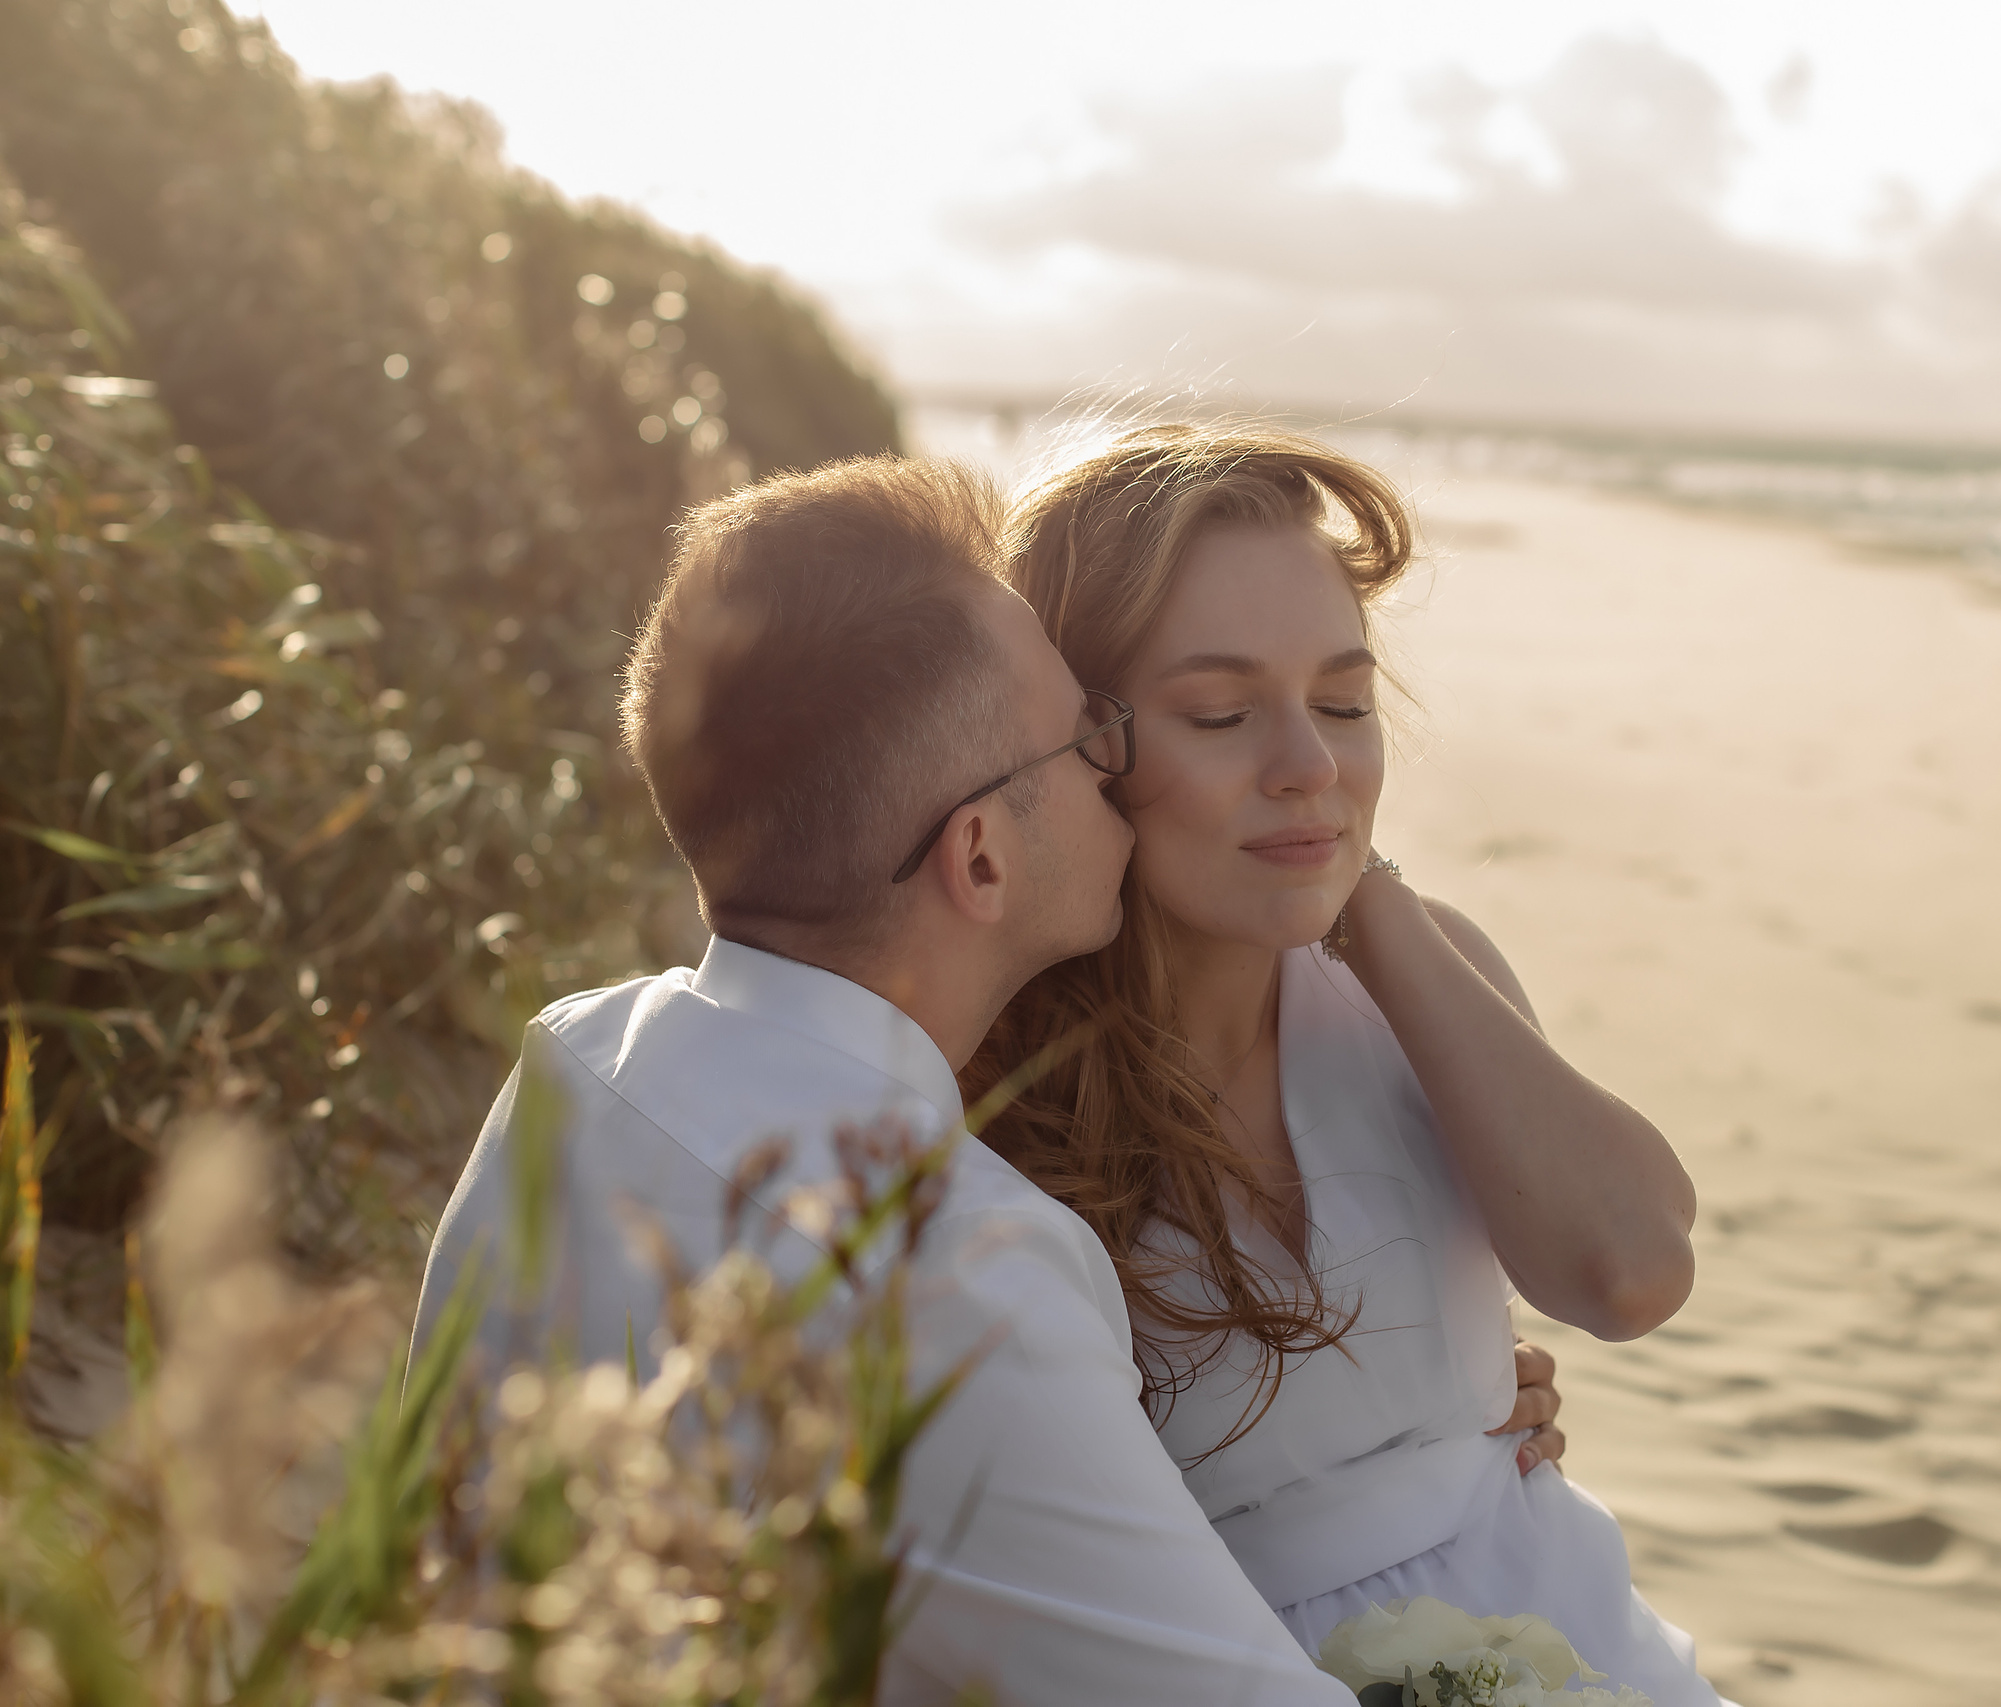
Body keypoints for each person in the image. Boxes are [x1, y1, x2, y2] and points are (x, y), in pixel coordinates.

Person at [408, 456, 1564, 1704]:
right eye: (1082, 739)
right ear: (981, 856)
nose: (1114, 767)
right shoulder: (956, 1269)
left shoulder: (576, 1061)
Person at [971, 425, 1722, 1703]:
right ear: (1078, 743)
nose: (1309, 767)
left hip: (1565, 1643)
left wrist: (1366, 900)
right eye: (1222, 713)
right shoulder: (987, 1090)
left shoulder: (1414, 990)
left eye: (1343, 703)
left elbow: (1629, 1270)